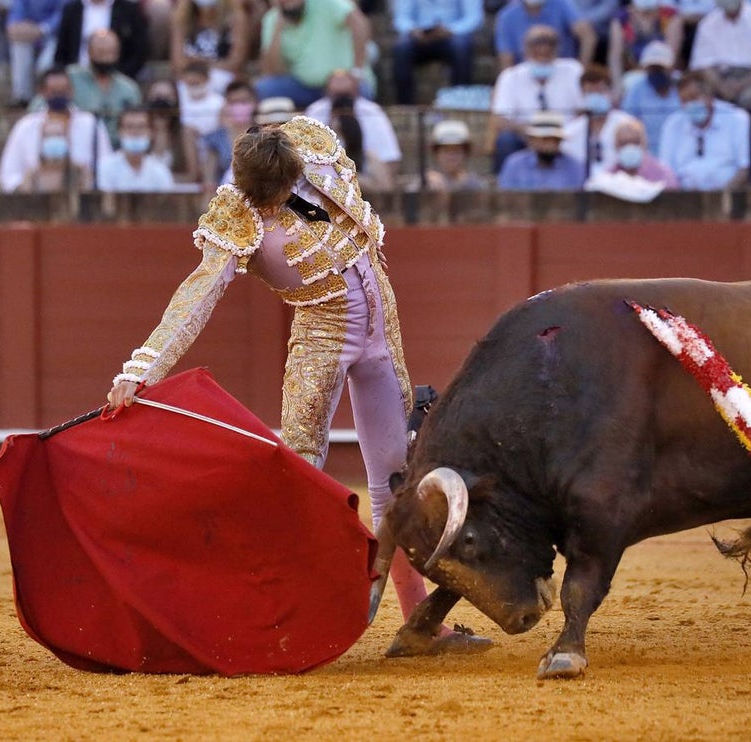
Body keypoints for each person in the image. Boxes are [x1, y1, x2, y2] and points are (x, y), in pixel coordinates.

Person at [105, 117, 490, 654]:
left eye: (281, 190)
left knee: (395, 480)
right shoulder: (234, 215)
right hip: (320, 335)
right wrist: (141, 369)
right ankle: (272, 622)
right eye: (264, 196)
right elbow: (196, 295)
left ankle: (420, 628)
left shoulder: (313, 143)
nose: (272, 203)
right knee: (300, 471)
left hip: (381, 328)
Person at [0, 67, 112, 192]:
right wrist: (29, 183)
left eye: (63, 91)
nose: (59, 96)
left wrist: (86, 179)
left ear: (71, 90)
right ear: (42, 92)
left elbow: (106, 167)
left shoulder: (91, 124)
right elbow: (8, 175)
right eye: (54, 91)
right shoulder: (25, 126)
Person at [490, 24, 584, 173]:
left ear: (556, 50)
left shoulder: (573, 71)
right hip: (525, 135)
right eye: (536, 52)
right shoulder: (511, 76)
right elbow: (500, 119)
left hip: (566, 134)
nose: (542, 54)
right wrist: (531, 133)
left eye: (547, 52)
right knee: (505, 140)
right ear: (526, 51)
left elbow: (583, 111)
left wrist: (559, 134)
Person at [33, 29, 142, 146]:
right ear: (89, 52)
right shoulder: (70, 77)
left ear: (118, 53)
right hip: (77, 146)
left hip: (120, 150)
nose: (105, 58)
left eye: (110, 52)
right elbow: (39, 107)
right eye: (100, 52)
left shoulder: (129, 89)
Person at [256, 0, 373, 109]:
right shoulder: (271, 19)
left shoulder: (326, 3)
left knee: (362, 92)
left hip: (344, 82)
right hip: (302, 86)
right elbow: (271, 71)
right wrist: (277, 30)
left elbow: (359, 23)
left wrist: (356, 72)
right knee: (264, 89)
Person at [659, 71, 751, 190]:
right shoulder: (673, 124)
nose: (690, 104)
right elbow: (667, 173)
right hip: (683, 200)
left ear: (709, 96)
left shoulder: (737, 119)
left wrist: (720, 199)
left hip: (729, 198)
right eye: (684, 100)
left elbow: (746, 169)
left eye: (694, 97)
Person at [305, 69, 401, 188]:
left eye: (346, 98)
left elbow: (389, 162)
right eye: (337, 97)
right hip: (323, 179)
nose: (343, 108)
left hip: (366, 180)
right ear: (327, 93)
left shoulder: (371, 112)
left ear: (356, 92)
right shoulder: (316, 111)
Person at [688, 0, 751, 116]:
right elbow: (703, 65)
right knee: (701, 97)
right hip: (720, 77)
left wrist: (742, 84)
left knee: (749, 98)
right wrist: (721, 86)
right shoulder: (708, 22)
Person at [390, 0, 483, 105]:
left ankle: (460, 103)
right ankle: (405, 106)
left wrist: (451, 30)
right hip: (419, 38)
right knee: (402, 47)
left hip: (452, 35)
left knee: (461, 46)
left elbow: (474, 18)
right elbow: (401, 18)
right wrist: (413, 30)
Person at [561, 64, 639, 177]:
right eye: (590, 92)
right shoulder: (570, 132)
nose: (595, 96)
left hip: (620, 185)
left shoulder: (628, 124)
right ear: (582, 95)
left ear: (610, 92)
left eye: (600, 91)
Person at [169, 0, 260, 90]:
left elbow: (236, 62)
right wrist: (209, 64)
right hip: (190, 78)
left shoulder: (236, 19)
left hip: (224, 77)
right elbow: (178, 64)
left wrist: (199, 62)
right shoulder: (182, 20)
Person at [54, 0, 150, 80]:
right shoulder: (72, 10)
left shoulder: (128, 10)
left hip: (117, 78)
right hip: (75, 79)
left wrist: (120, 77)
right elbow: (62, 50)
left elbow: (139, 51)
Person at [607, 0, 683, 99]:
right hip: (634, 72)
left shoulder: (670, 16)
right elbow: (615, 57)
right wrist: (617, 85)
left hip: (664, 71)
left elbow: (671, 55)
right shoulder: (622, 19)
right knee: (629, 83)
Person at [498, 110, 587, 189]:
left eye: (553, 139)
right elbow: (505, 198)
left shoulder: (574, 167)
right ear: (533, 140)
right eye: (544, 139)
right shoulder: (515, 165)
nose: (549, 144)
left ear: (559, 141)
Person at [493, 0, 592, 70]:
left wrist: (583, 72)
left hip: (561, 73)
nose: (542, 50)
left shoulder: (562, 4)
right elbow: (506, 60)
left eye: (548, 44)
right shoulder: (506, 16)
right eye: (536, 44)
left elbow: (588, 37)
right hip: (526, 77)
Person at [3, 0, 66, 107]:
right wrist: (14, 27)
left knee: (44, 65)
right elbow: (17, 11)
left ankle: (45, 100)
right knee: (19, 44)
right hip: (29, 33)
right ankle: (22, 96)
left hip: (56, 36)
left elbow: (65, 12)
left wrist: (42, 29)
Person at [621, 40, 681, 152]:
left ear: (671, 68)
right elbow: (628, 121)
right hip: (647, 153)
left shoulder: (682, 86)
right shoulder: (636, 90)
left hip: (679, 149)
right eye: (652, 69)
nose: (656, 73)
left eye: (660, 68)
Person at [97, 106, 176, 190]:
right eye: (129, 127)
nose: (135, 132)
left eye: (141, 127)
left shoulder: (160, 171)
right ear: (119, 132)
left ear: (151, 133)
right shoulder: (104, 168)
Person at [15, 111, 94, 191]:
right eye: (49, 136)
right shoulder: (32, 175)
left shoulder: (80, 172)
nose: (54, 140)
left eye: (58, 135)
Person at [176, 57, 225, 183]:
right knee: (186, 132)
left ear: (207, 80)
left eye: (196, 83)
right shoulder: (181, 102)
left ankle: (203, 175)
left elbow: (222, 131)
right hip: (189, 147)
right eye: (189, 84)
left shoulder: (218, 102)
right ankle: (192, 172)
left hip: (212, 148)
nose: (192, 87)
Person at [421, 118, 489, 191]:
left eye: (456, 151)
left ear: (465, 153)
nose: (451, 156)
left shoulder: (476, 185)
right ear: (437, 153)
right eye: (446, 151)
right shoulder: (425, 183)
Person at [606, 118, 677, 186]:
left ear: (644, 144)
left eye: (635, 142)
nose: (630, 147)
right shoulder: (608, 177)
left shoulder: (663, 175)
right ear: (616, 146)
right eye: (624, 143)